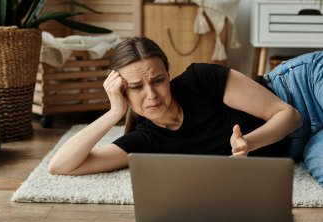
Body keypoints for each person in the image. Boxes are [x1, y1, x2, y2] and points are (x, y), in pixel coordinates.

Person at [48, 36, 323, 187]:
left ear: (168, 76)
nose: (152, 94)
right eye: (136, 87)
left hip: (303, 86)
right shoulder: (146, 141)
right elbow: (60, 166)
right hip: (302, 144)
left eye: (157, 80)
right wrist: (113, 113)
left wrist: (248, 143)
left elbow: (289, 115)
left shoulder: (199, 79)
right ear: (122, 90)